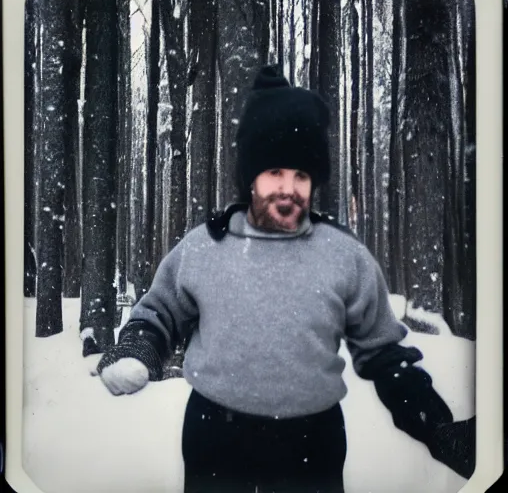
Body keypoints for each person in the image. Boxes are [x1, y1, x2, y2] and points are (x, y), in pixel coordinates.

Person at [95, 65, 458, 492]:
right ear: (250, 177)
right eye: (274, 173)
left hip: (312, 452)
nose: (288, 188)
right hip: (216, 447)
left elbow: (384, 355)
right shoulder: (204, 247)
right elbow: (158, 314)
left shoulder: (344, 256)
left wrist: (437, 427)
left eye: (300, 175)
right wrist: (135, 350)